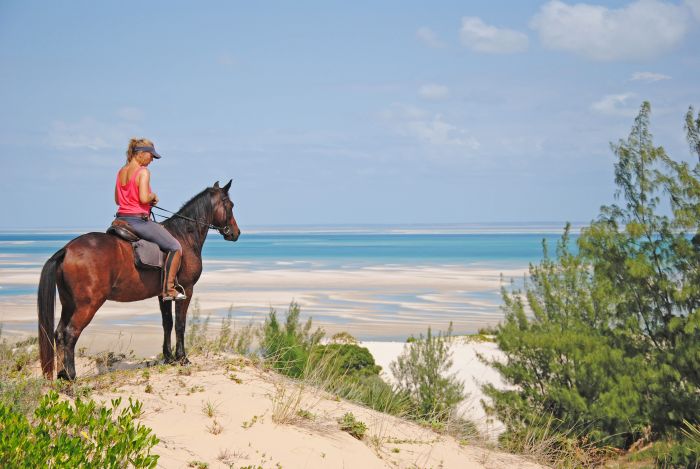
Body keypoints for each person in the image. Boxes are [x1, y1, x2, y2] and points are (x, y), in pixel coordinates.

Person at [115, 138, 186, 301]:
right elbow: (143, 197)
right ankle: (169, 289)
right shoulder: (143, 172)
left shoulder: (121, 172)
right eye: (151, 155)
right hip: (138, 221)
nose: (152, 159)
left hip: (121, 219)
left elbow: (118, 200)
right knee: (175, 247)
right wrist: (152, 196)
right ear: (140, 154)